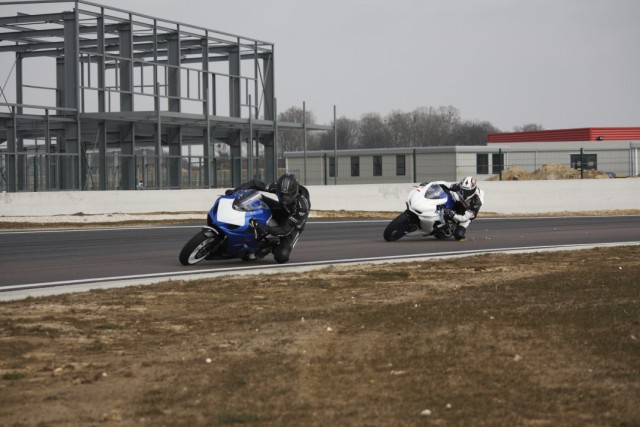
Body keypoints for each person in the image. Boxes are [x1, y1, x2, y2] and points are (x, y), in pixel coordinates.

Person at [227, 173, 310, 263]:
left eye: (288, 196)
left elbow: (285, 230)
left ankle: (269, 247)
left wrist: (265, 229)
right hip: (282, 210)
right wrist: (235, 191)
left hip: (293, 225)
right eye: (282, 195)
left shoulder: (302, 207)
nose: (284, 199)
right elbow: (254, 184)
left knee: (281, 257)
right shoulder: (278, 188)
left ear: (295, 191)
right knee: (257, 198)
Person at [439, 176, 484, 241]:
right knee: (445, 192)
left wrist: (452, 214)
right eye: (463, 190)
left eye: (468, 191)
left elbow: (464, 218)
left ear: (474, 189)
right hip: (459, 203)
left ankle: (454, 225)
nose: (465, 193)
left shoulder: (476, 202)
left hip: (467, 215)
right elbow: (444, 184)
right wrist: (430, 184)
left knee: (459, 235)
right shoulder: (459, 186)